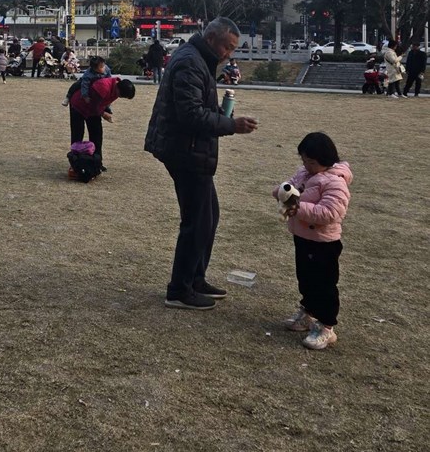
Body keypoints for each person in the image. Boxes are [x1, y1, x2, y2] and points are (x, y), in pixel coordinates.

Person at [144, 18, 258, 310]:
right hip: (184, 150)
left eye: (232, 49)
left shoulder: (199, 59)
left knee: (208, 216)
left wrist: (220, 113)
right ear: (211, 39)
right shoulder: (190, 62)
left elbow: (198, 104)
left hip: (190, 149)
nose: (228, 54)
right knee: (197, 221)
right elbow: (190, 115)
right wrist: (231, 125)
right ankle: (179, 290)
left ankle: (195, 278)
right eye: (226, 47)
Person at [273, 131, 352, 351]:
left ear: (326, 160)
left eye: (312, 162)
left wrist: (298, 208)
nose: (307, 166)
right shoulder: (304, 173)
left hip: (323, 243)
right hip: (302, 237)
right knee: (305, 278)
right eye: (304, 161)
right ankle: (308, 312)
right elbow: (290, 185)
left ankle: (326, 326)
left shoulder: (336, 182)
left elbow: (330, 213)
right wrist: (281, 191)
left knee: (324, 284)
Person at [69, 75, 136, 164]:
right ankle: (75, 163)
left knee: (96, 136)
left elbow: (103, 103)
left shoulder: (117, 90)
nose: (120, 97)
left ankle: (97, 162)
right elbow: (93, 105)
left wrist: (106, 110)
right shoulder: (103, 86)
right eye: (121, 95)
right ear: (118, 88)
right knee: (77, 134)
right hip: (79, 106)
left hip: (94, 110)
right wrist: (103, 114)